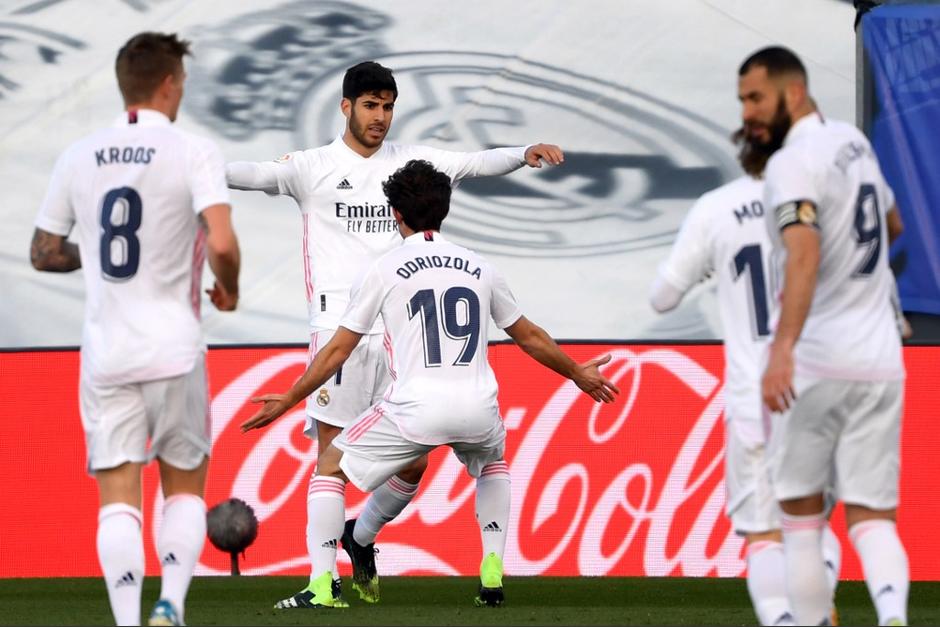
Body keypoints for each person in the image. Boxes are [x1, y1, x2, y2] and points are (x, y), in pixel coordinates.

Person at [226, 60, 564, 607]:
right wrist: (191, 173)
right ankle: (322, 583)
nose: (379, 117)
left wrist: (524, 153)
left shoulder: (411, 164)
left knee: (414, 461)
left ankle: (361, 538)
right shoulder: (311, 167)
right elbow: (251, 173)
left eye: (387, 106)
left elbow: (475, 162)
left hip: (401, 335)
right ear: (346, 107)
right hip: (339, 333)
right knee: (332, 458)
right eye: (370, 105)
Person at [241, 159, 618, 608]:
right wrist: (577, 373)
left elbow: (339, 349)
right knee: (492, 464)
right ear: (445, 209)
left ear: (395, 214)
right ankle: (491, 573)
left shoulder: (383, 269)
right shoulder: (479, 266)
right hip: (478, 408)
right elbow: (529, 336)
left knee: (330, 467)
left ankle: (322, 585)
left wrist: (288, 398)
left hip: (415, 409)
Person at [31, 32, 240, 627]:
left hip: (107, 354)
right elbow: (222, 243)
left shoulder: (79, 154)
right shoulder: (192, 149)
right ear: (170, 84)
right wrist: (229, 288)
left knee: (118, 499)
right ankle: (171, 603)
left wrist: (97, 255)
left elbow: (45, 252)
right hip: (174, 348)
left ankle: (127, 620)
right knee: (184, 489)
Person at [740, 46, 909, 626]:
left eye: (756, 98)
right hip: (880, 360)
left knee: (801, 522)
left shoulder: (792, 162)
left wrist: (782, 349)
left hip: (818, 360)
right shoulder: (854, 142)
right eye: (742, 101)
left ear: (793, 92)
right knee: (873, 518)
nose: (747, 113)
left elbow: (804, 254)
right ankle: (893, 617)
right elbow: (893, 224)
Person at [649, 124, 845, 623]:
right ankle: (819, 604)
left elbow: (663, 298)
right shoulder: (824, 203)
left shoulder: (716, 208)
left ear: (744, 152)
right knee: (811, 527)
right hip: (818, 388)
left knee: (764, 535)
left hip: (753, 399)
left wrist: (709, 265)